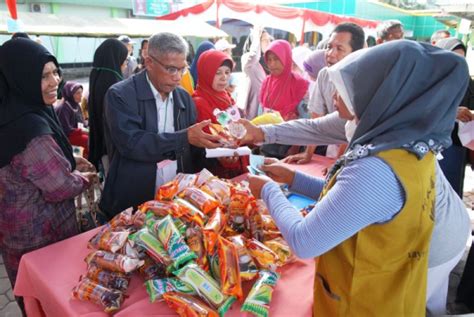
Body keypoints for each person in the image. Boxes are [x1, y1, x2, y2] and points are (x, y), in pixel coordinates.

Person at [245, 40, 469, 315]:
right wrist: (295, 178)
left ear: (381, 93)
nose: (335, 94)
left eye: (348, 86)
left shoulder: (377, 165)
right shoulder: (398, 133)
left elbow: (305, 241)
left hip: (427, 250)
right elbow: (356, 201)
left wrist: (269, 190)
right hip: (420, 240)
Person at [0, 38, 96, 311]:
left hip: (14, 227)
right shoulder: (29, 128)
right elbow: (60, 187)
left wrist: (71, 159)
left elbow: (35, 165)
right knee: (47, 297)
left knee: (29, 293)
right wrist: (85, 178)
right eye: (43, 76)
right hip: (40, 233)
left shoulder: (13, 111)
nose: (55, 81)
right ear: (20, 77)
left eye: (55, 71)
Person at [100, 32, 220, 219]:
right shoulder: (120, 95)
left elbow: (194, 153)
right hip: (134, 199)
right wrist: (183, 137)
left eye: (183, 69)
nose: (177, 78)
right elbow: (132, 143)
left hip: (175, 201)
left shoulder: (184, 98)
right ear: (149, 63)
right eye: (171, 69)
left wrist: (219, 154)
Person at [285, 22, 364, 164]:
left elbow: (353, 127)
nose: (331, 54)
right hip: (333, 146)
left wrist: (340, 162)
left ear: (355, 54)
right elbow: (316, 119)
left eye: (339, 48)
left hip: (358, 151)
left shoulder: (363, 81)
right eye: (329, 47)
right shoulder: (324, 75)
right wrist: (308, 154)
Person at [193, 50, 247, 179]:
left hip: (237, 159)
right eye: (217, 73)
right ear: (206, 73)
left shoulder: (226, 95)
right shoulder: (199, 102)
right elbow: (208, 140)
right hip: (217, 170)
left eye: (227, 72)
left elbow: (236, 125)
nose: (224, 77)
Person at [435, 37, 474, 196]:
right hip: (434, 146)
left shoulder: (467, 83)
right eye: (452, 58)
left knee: (452, 192)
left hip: (458, 147)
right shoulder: (428, 82)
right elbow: (420, 111)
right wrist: (451, 112)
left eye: (461, 59)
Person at [258, 39, 309, 159]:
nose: (272, 64)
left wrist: (295, 147)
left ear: (286, 58)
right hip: (266, 142)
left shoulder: (299, 83)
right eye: (269, 60)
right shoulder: (266, 82)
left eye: (276, 59)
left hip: (289, 145)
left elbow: (305, 120)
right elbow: (261, 112)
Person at [88, 39, 128, 172]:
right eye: (124, 60)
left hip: (100, 144)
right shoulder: (113, 85)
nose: (126, 65)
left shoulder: (97, 75)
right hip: (112, 148)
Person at [239, 26, 273, 120]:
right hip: (250, 113)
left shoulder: (267, 62)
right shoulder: (247, 59)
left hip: (263, 112)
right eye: (264, 40)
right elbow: (254, 56)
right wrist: (256, 36)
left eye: (269, 40)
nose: (268, 43)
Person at [55, 81, 89, 158]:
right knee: (87, 140)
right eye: (77, 93)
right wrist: (84, 131)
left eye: (81, 92)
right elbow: (66, 130)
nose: (81, 95)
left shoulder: (76, 105)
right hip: (66, 137)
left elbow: (82, 123)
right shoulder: (64, 108)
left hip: (76, 133)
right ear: (70, 94)